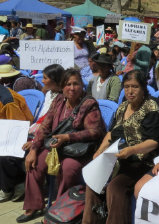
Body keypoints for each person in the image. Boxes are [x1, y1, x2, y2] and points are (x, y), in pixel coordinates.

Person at [16, 68, 105, 223]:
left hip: (80, 151)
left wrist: (68, 137)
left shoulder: (89, 104)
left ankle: (61, 210)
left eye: (76, 84)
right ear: (62, 86)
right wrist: (34, 149)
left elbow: (95, 131)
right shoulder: (59, 100)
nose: (72, 88)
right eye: (68, 84)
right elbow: (45, 126)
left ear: (82, 85)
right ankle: (34, 206)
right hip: (58, 147)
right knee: (34, 163)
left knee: (68, 168)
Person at [82, 70, 159, 224]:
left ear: (143, 88)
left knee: (116, 187)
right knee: (93, 181)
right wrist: (99, 152)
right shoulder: (122, 107)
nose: (130, 91)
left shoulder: (151, 108)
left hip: (141, 162)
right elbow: (111, 133)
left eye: (135, 87)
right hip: (118, 158)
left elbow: (154, 142)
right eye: (126, 87)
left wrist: (131, 150)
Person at [0, 84, 33, 202]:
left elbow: (16, 130)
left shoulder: (8, 101)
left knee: (4, 157)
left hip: (16, 136)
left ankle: (15, 184)